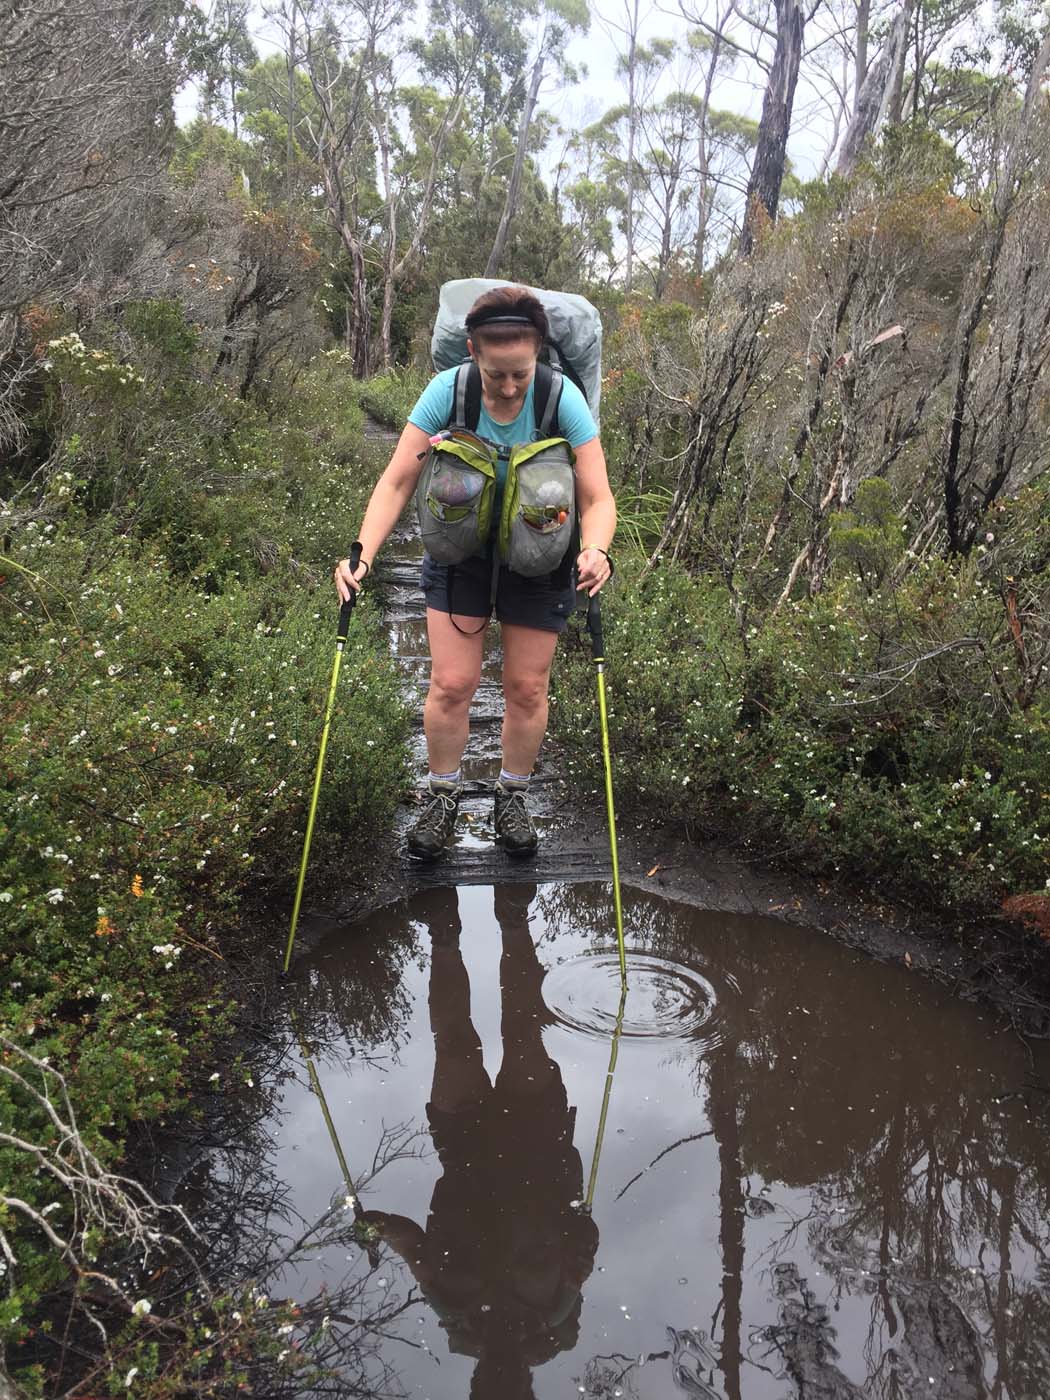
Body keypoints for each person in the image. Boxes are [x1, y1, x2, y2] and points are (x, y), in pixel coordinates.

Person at [334, 285, 616, 860]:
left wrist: (597, 550)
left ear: (539, 353)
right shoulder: (449, 391)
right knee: (452, 684)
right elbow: (397, 481)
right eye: (496, 374)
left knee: (527, 688)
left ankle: (511, 796)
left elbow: (597, 496)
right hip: (459, 551)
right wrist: (363, 553)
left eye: (520, 373)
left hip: (540, 553)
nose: (509, 388)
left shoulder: (560, 396)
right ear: (472, 353)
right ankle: (442, 796)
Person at [364, 885, 599, 1398]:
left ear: (475, 1384)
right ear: (527, 1387)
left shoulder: (452, 1310)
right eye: (511, 1387)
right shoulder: (554, 1308)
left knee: (453, 1046)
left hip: (464, 1148)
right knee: (523, 1034)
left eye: (488, 1386)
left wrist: (373, 1227)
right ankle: (514, 921)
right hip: (537, 1145)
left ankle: (443, 934)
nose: (499, 1375)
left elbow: (411, 1244)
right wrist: (581, 1234)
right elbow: (584, 1233)